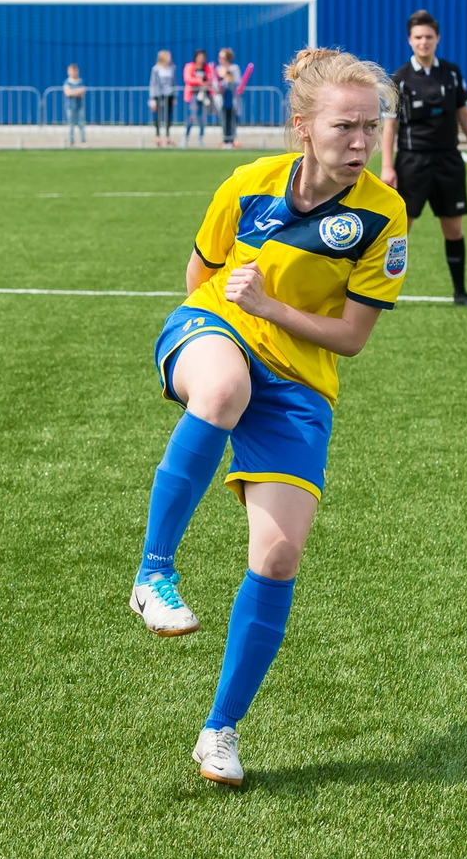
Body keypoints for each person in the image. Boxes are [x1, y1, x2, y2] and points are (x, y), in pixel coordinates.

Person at [129, 46, 407, 788]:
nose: (360, 142)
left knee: (278, 558)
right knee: (222, 391)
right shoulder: (247, 183)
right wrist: (233, 317)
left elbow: (351, 338)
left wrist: (271, 308)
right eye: (345, 126)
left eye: (371, 126)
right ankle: (153, 573)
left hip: (299, 382)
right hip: (215, 333)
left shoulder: (383, 216)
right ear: (302, 127)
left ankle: (219, 730)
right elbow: (201, 275)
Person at [381, 9, 467, 307]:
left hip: (448, 161)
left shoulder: (451, 72)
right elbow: (390, 125)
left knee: (454, 229)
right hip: (412, 162)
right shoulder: (400, 78)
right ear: (409, 40)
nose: (423, 42)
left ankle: (461, 293)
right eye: (418, 37)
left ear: (437, 38)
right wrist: (387, 166)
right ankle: (382, 293)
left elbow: (463, 114)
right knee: (400, 232)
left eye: (428, 37)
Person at [183, 49, 215, 147]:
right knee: (191, 117)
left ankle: (201, 138)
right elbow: (188, 78)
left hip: (204, 96)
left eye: (203, 57)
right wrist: (200, 82)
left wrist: (208, 84)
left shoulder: (207, 68)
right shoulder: (190, 66)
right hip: (193, 95)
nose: (201, 59)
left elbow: (212, 78)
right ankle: (185, 138)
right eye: (199, 57)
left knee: (202, 119)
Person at [216, 48, 246, 148]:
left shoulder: (234, 68)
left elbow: (238, 82)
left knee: (233, 119)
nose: (220, 59)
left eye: (222, 57)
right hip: (223, 98)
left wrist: (230, 80)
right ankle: (225, 139)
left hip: (232, 97)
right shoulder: (218, 69)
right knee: (224, 119)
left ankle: (233, 139)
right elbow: (216, 82)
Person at [149, 50, 176, 147]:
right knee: (158, 116)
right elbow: (153, 83)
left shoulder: (172, 68)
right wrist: (152, 98)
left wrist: (174, 96)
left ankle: (167, 136)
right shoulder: (156, 69)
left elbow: (174, 82)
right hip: (158, 95)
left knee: (168, 116)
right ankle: (158, 136)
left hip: (169, 94)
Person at [62, 64, 86, 146]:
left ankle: (83, 140)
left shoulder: (80, 81)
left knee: (81, 123)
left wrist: (73, 92)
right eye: (71, 71)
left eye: (75, 71)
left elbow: (82, 92)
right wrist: (76, 91)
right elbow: (68, 92)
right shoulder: (67, 82)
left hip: (79, 106)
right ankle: (71, 140)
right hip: (70, 106)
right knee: (71, 124)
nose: (74, 73)